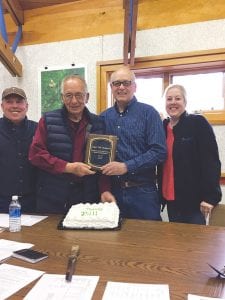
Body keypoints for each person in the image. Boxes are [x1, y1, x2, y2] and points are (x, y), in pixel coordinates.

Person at [29, 74, 115, 213]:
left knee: (84, 235)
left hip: (88, 198)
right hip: (53, 197)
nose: (74, 101)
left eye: (79, 95)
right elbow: (36, 155)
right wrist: (68, 167)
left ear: (87, 97)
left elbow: (104, 163)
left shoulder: (99, 123)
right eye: (68, 95)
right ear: (62, 97)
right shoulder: (48, 120)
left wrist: (104, 190)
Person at [101, 66, 167, 220]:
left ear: (134, 87)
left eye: (126, 83)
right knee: (114, 242)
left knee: (148, 240)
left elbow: (159, 152)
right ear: (111, 87)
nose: (121, 87)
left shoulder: (149, 113)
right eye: (117, 83)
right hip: (113, 193)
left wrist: (126, 166)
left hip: (143, 193)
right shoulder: (103, 117)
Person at [158, 84, 222, 224]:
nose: (173, 102)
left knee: (195, 244)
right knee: (176, 242)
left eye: (178, 98)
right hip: (170, 199)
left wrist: (210, 197)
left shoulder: (198, 123)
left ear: (185, 102)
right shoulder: (162, 127)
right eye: (169, 99)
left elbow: (211, 162)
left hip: (194, 201)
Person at [0, 87, 37, 213]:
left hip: (34, 202)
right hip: (2, 202)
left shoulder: (38, 130)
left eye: (19, 101)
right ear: (2, 106)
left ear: (26, 106)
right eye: (9, 101)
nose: (14, 106)